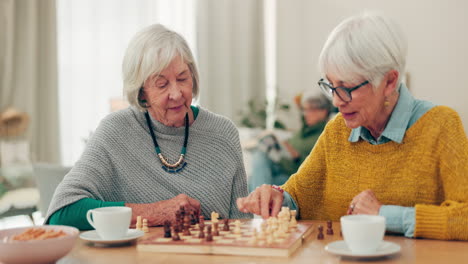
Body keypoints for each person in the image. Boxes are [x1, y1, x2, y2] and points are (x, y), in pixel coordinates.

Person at [237, 13, 468, 240]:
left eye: (347, 87)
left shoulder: (441, 125)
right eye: (330, 85)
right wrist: (277, 197)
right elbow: (297, 195)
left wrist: (383, 215)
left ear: (389, 81)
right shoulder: (338, 129)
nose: (336, 101)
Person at [46, 24, 251, 230]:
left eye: (182, 78)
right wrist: (155, 213)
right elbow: (62, 213)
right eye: (162, 84)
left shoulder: (223, 133)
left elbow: (242, 223)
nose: (177, 93)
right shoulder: (115, 132)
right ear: (141, 92)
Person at [248, 93, 332, 191]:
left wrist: (297, 157)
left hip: (294, 175)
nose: (305, 114)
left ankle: (258, 201)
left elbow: (318, 169)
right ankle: (259, 201)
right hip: (282, 167)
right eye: (304, 110)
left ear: (323, 112)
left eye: (310, 110)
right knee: (256, 170)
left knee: (258, 168)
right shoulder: (303, 131)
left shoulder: (324, 135)